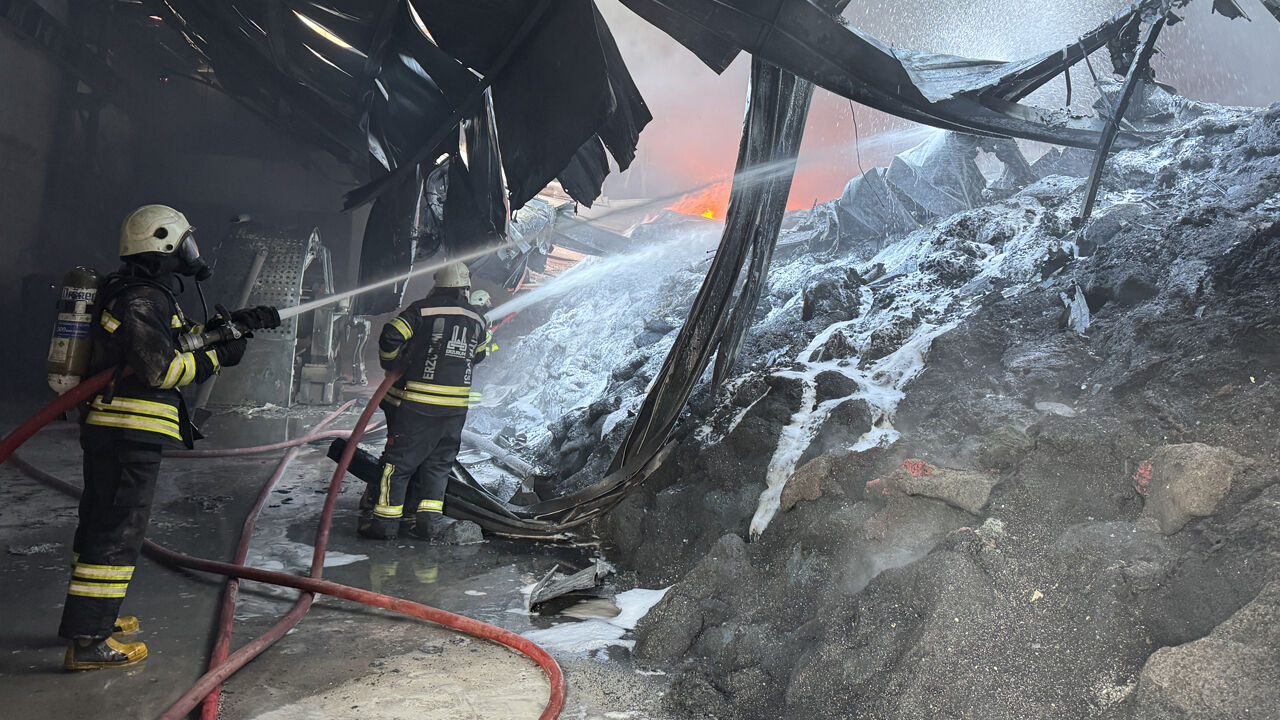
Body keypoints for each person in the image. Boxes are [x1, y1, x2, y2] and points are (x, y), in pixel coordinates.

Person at [60, 205, 266, 670]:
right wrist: (217, 358)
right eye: (185, 241)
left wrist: (233, 326)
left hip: (118, 430)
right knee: (116, 532)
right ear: (163, 244)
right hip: (128, 432)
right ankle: (89, 640)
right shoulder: (141, 300)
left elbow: (178, 342)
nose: (192, 251)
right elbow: (163, 368)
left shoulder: (145, 295)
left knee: (101, 522)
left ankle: (91, 620)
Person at [360, 262, 492, 541]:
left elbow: (391, 334)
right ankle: (428, 524)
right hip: (455, 409)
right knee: (439, 465)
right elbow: (479, 355)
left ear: (438, 285)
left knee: (398, 465)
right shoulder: (478, 319)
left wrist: (393, 362)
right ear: (465, 290)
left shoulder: (422, 310)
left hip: (418, 405)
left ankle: (384, 525)